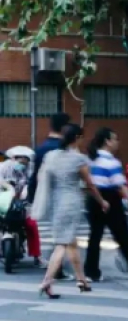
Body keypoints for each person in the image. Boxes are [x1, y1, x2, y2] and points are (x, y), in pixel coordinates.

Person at [38, 124, 109, 299]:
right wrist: (102, 201)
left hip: (56, 203)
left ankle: (81, 280)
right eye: (81, 137)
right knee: (62, 244)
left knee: (70, 241)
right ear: (77, 138)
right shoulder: (78, 159)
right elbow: (90, 185)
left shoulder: (51, 156)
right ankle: (47, 281)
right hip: (71, 203)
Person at [84, 128, 128, 282]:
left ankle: (91, 271)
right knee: (122, 232)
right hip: (109, 197)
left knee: (95, 236)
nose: (118, 142)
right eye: (115, 139)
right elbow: (119, 183)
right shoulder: (111, 161)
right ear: (107, 141)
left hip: (93, 198)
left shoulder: (90, 159)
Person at [28, 112, 73, 280]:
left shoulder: (40, 149)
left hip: (45, 195)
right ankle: (57, 270)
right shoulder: (64, 149)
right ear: (64, 127)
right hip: (62, 195)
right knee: (63, 236)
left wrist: (31, 198)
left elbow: (34, 177)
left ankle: (56, 266)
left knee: (58, 233)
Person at [0, 147, 45, 267]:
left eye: (26, 163)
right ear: (13, 159)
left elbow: (29, 185)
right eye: (21, 162)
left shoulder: (28, 170)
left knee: (32, 225)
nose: (23, 165)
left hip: (21, 204)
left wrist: (27, 194)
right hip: (3, 203)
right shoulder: (3, 167)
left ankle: (37, 256)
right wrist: (8, 188)